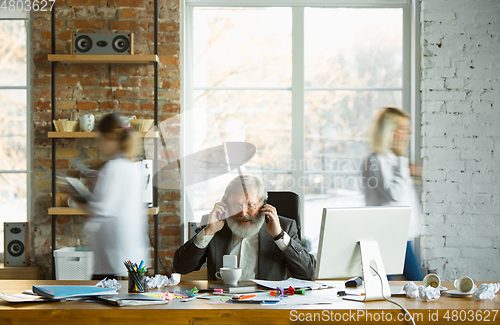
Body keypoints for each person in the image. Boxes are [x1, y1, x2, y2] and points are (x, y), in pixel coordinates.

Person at [173, 175, 316, 281]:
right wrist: (209, 231)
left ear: (262, 204)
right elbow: (181, 267)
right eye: (236, 205)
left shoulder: (283, 227)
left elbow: (308, 272)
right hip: (222, 307)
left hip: (268, 307)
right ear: (225, 204)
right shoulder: (214, 225)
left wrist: (279, 236)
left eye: (250, 205)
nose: (243, 213)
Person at [80, 113, 150, 280]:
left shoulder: (113, 167)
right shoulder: (134, 166)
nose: (99, 144)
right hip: (132, 256)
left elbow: (103, 210)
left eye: (100, 139)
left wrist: (77, 199)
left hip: (113, 258)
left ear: (110, 137)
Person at [361, 106, 424, 281]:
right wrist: (402, 160)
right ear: (390, 131)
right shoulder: (376, 160)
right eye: (402, 129)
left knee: (385, 282)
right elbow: (394, 194)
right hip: (392, 230)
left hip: (401, 230)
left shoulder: (392, 159)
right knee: (415, 284)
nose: (407, 134)